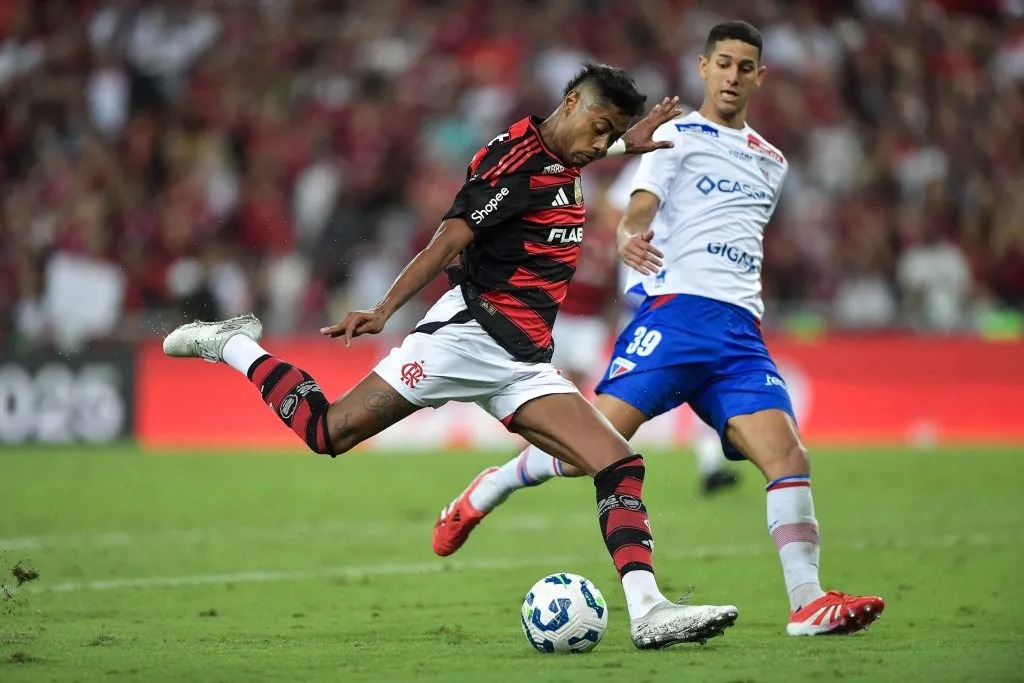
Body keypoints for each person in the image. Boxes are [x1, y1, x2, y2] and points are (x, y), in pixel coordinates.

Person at [163, 63, 739, 649]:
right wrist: (386, 309)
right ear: (570, 103)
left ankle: (649, 611)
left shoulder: (565, 149)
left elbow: (569, 154)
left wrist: (622, 143)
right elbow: (448, 242)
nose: (598, 143)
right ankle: (232, 344)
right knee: (327, 432)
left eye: (607, 133)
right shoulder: (511, 168)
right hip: (463, 340)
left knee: (620, 464)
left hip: (523, 362)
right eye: (598, 127)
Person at [432, 22, 885, 637]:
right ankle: (494, 484)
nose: (731, 76)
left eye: (744, 67)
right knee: (595, 448)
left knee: (787, 455)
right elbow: (636, 205)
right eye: (722, 63)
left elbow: (735, 237)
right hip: (673, 317)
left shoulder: (772, 162)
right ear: (703, 68)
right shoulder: (673, 134)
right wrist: (626, 237)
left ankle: (806, 601)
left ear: (759, 76)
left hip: (738, 333)